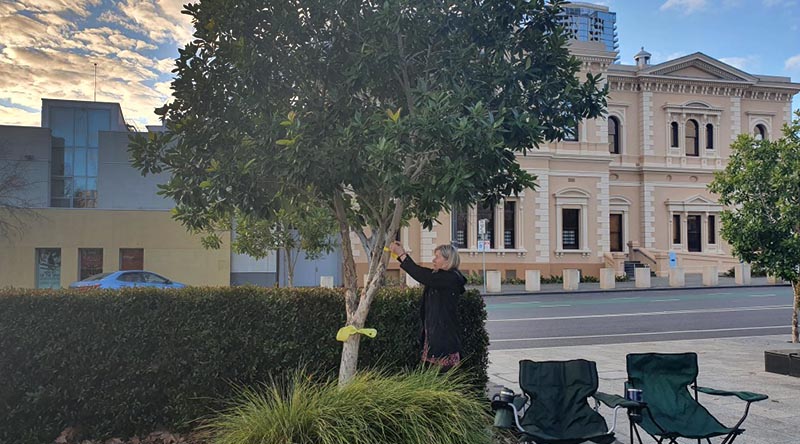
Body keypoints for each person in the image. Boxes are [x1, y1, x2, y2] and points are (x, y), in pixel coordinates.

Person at [388, 240, 466, 371]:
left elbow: (421, 275)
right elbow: (423, 273)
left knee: (442, 377)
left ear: (448, 261)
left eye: (437, 257)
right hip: (434, 335)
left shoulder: (449, 278)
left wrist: (402, 254)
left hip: (443, 339)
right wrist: (401, 255)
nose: (433, 260)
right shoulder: (441, 277)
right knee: (430, 375)